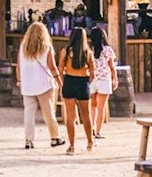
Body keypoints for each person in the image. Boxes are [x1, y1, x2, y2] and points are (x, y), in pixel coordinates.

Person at [17, 20, 65, 150]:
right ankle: (54, 137)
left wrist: (20, 80)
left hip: (27, 85)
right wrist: (60, 82)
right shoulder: (46, 47)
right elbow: (52, 67)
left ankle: (28, 140)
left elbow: (19, 66)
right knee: (48, 111)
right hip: (43, 84)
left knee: (29, 113)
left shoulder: (23, 47)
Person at [59, 26, 95, 155]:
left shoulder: (66, 51)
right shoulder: (88, 52)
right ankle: (90, 142)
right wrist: (87, 82)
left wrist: (63, 82)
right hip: (82, 82)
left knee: (70, 116)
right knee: (86, 115)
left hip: (69, 80)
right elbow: (92, 72)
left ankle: (72, 146)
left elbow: (60, 68)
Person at [88, 26, 118, 139]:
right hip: (104, 80)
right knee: (101, 107)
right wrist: (115, 78)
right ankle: (98, 131)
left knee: (92, 106)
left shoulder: (89, 50)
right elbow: (112, 66)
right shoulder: (108, 50)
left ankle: (91, 129)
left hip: (91, 79)